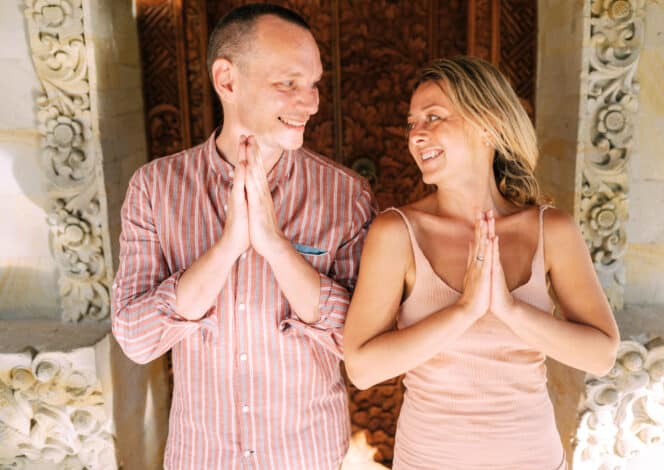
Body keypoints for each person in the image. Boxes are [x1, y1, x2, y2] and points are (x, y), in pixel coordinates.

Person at [111, 4, 375, 469]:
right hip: (201, 457)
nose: (311, 102)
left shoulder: (346, 195)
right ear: (227, 81)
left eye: (312, 84)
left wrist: (275, 246)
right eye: (288, 84)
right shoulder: (154, 188)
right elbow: (136, 338)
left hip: (308, 456)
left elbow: (358, 342)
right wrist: (227, 248)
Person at [343, 56, 620, 469]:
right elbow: (362, 369)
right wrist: (465, 310)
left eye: (433, 117)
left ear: (488, 124)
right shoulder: (397, 232)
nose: (416, 134)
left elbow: (601, 355)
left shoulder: (551, 229)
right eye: (411, 123)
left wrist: (508, 309)